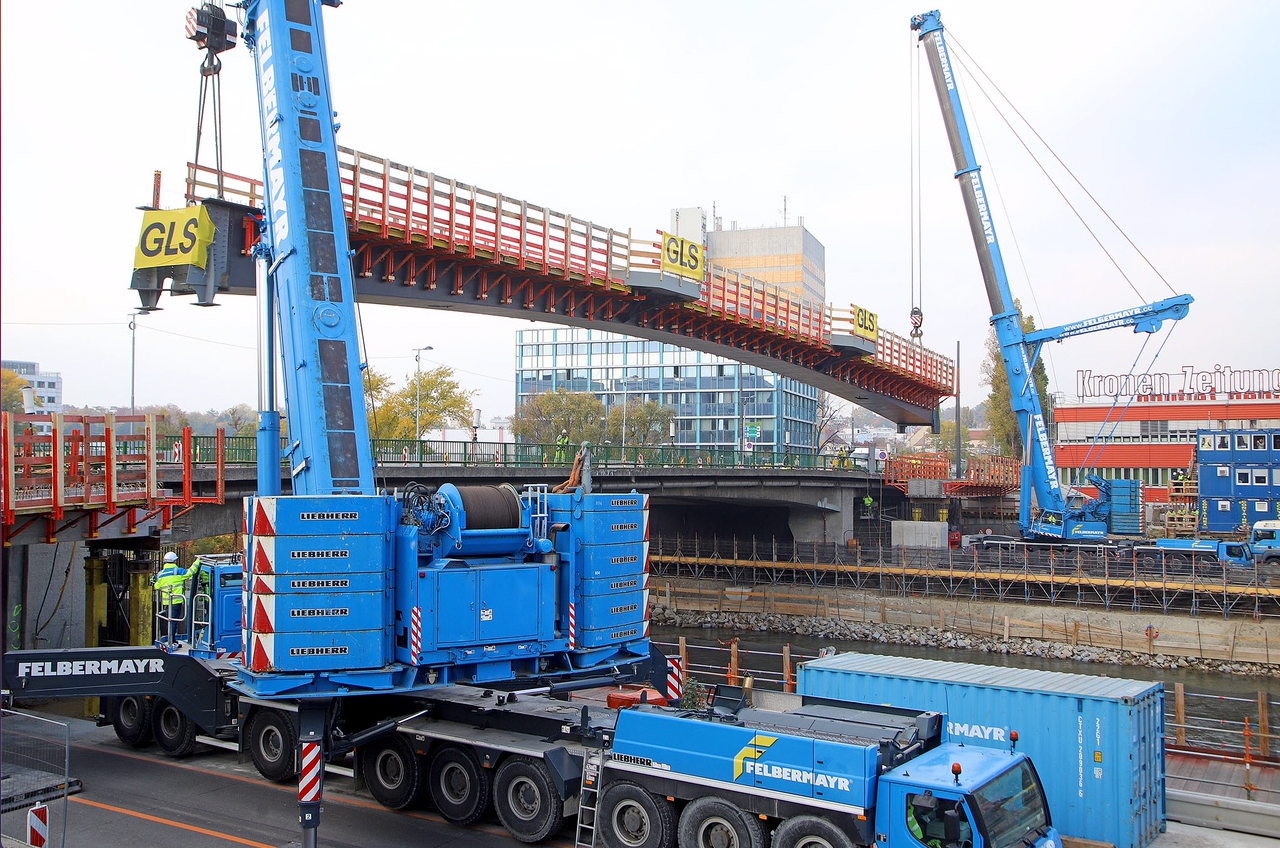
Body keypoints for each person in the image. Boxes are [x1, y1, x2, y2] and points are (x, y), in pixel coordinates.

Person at [152, 552, 200, 648]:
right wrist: (198, 561)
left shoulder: (160, 574)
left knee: (170, 621)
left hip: (166, 602)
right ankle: (172, 642)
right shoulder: (178, 571)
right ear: (174, 561)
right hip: (176, 602)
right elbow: (191, 572)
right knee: (173, 622)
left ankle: (172, 640)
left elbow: (156, 586)